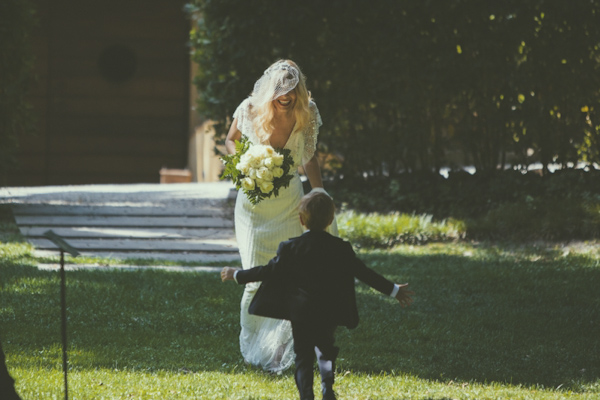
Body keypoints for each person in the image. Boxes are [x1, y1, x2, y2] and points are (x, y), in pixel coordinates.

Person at [221, 192, 414, 400]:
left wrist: (238, 274)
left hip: (301, 312)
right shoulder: (342, 248)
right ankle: (327, 389)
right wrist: (393, 290)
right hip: (329, 310)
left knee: (303, 356)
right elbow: (365, 273)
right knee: (326, 348)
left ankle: (306, 396)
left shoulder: (290, 248)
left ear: (301, 220)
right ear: (330, 220)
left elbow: (268, 271)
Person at [225, 59, 336, 372]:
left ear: (297, 89)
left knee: (290, 275)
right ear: (270, 89)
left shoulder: (308, 112)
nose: (285, 95)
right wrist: (245, 165)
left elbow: (309, 158)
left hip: (289, 203)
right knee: (254, 276)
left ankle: (280, 350)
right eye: (279, 88)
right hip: (253, 206)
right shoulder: (248, 108)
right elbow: (230, 139)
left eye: (290, 88)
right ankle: (253, 345)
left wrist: (319, 194)